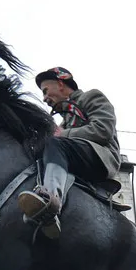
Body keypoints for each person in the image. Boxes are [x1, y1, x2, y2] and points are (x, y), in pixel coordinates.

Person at [18, 67, 121, 239]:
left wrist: (61, 134)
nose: (44, 98)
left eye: (45, 91)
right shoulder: (65, 121)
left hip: (101, 158)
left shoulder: (91, 97)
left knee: (53, 143)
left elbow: (103, 130)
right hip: (77, 156)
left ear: (60, 83)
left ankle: (50, 199)